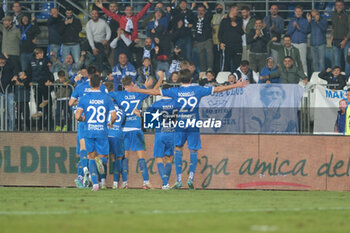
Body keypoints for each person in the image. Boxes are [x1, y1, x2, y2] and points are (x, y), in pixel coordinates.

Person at [125, 69, 247, 189]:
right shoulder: (198, 89)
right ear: (191, 79)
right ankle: (191, 178)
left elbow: (154, 92)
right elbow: (219, 89)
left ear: (179, 80)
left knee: (178, 148)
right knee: (193, 150)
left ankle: (178, 180)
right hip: (193, 122)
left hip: (180, 124)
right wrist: (237, 84)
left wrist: (136, 89)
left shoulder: (175, 91)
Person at [110, 75, 162, 189]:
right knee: (141, 157)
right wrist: (159, 79)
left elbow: (104, 96)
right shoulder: (138, 93)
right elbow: (154, 91)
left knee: (125, 157)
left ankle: (124, 183)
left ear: (123, 86)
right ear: (133, 84)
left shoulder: (118, 94)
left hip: (124, 130)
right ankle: (146, 182)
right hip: (136, 129)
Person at [75, 73, 117, 191]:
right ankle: (101, 161)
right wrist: (111, 123)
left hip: (89, 131)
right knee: (103, 157)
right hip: (101, 131)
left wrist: (84, 119)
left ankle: (95, 185)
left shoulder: (84, 98)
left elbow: (77, 116)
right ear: (100, 84)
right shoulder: (107, 98)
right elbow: (114, 116)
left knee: (90, 157)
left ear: (89, 84)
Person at [146, 84, 177, 190]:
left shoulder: (157, 103)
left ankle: (165, 183)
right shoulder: (176, 103)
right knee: (169, 158)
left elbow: (148, 118)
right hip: (172, 133)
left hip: (160, 133)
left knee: (159, 157)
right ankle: (166, 184)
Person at [105, 82, 126, 189]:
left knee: (103, 157)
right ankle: (115, 183)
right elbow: (122, 121)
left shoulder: (105, 106)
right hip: (117, 134)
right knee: (118, 158)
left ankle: (101, 183)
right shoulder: (122, 109)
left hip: (105, 134)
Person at [218, 5, 244, 72]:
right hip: (227, 45)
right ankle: (225, 79)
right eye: (236, 10)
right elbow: (220, 33)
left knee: (237, 64)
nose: (237, 11)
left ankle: (237, 78)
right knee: (226, 63)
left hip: (237, 45)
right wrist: (221, 42)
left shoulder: (239, 20)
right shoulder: (224, 20)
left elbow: (241, 32)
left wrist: (237, 25)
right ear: (231, 10)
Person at [287, 6, 310, 74]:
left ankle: (304, 77)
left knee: (303, 61)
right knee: (293, 61)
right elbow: (289, 32)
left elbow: (307, 30)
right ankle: (295, 76)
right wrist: (294, 27)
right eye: (296, 11)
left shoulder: (305, 21)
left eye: (299, 11)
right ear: (294, 12)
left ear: (302, 12)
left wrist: (298, 27)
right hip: (293, 43)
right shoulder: (291, 21)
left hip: (302, 43)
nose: (298, 13)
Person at [193, 2, 213, 73]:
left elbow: (210, 14)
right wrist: (192, 7)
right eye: (199, 10)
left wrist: (207, 6)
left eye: (202, 10)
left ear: (204, 12)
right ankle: (203, 72)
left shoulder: (207, 17)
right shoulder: (194, 18)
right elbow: (188, 17)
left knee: (210, 55)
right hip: (199, 41)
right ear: (197, 11)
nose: (200, 12)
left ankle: (210, 70)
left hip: (207, 40)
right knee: (201, 58)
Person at [331, 0, 350, 76]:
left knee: (347, 61)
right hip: (336, 41)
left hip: (347, 42)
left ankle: (347, 78)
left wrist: (345, 40)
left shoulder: (347, 15)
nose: (338, 7)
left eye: (340, 5)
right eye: (337, 5)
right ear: (335, 6)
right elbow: (333, 27)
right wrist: (332, 35)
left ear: (343, 6)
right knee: (337, 62)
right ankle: (338, 79)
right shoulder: (333, 15)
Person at [0, 53, 16, 131]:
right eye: (0, 59)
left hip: (9, 92)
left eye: (3, 59)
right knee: (1, 111)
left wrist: (8, 58)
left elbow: (13, 65)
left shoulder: (8, 66)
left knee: (11, 111)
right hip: (1, 92)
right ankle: (2, 128)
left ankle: (11, 129)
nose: (2, 61)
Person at [211, 2, 226, 74]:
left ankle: (222, 74)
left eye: (220, 6)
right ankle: (216, 74)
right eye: (217, 6)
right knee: (215, 59)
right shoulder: (213, 16)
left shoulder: (226, 16)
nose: (219, 7)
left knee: (222, 60)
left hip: (222, 42)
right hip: (214, 41)